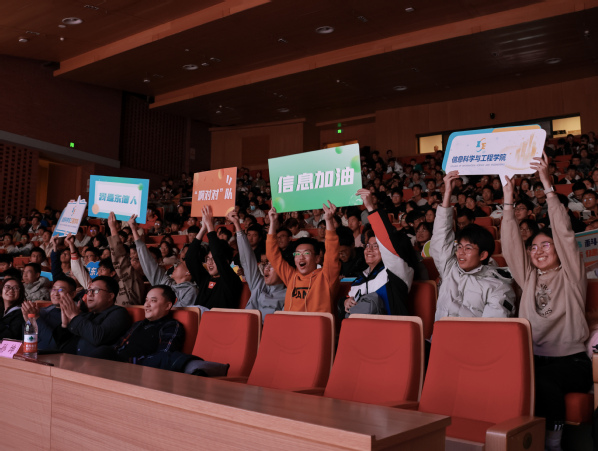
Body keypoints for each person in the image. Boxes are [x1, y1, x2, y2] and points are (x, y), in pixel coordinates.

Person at [502, 153, 592, 450]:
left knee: (541, 381)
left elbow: (565, 236)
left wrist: (547, 185)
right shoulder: (528, 278)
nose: (538, 251)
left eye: (545, 245)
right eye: (534, 247)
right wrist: (508, 199)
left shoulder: (571, 275)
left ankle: (553, 442)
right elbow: (510, 245)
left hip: (572, 362)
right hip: (534, 358)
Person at [431, 171, 516, 321]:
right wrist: (448, 193)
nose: (461, 253)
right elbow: (440, 237)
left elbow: (491, 327)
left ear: (483, 255)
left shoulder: (498, 286)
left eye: (468, 248)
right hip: (439, 335)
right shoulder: (450, 269)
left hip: (470, 336)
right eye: (459, 247)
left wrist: (455, 309)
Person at [343, 189, 417, 316]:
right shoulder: (359, 279)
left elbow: (387, 242)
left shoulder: (396, 272)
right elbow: (346, 305)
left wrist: (370, 207)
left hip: (391, 327)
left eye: (376, 246)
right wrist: (345, 302)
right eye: (367, 245)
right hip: (361, 327)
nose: (369, 249)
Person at [266, 201, 340, 313]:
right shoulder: (291, 276)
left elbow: (332, 252)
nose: (301, 257)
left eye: (306, 253)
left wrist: (329, 220)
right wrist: (272, 222)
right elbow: (272, 255)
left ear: (317, 258)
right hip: (291, 323)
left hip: (316, 324)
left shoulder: (326, 277)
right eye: (297, 254)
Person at [51, 275, 132, 356]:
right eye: (89, 290)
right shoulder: (86, 315)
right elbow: (60, 343)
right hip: (66, 359)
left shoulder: (119, 313)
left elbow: (98, 337)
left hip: (92, 362)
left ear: (110, 296)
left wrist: (74, 317)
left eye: (95, 290)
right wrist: (65, 325)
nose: (89, 294)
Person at [129, 215, 198, 307]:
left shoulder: (190, 290)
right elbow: (148, 261)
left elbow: (181, 313)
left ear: (188, 272)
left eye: (179, 265)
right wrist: (134, 230)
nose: (175, 267)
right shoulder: (165, 282)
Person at [227, 211, 285, 320]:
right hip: (247, 326)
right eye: (266, 265)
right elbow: (246, 259)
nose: (266, 268)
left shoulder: (289, 293)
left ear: (282, 269)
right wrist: (237, 224)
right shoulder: (258, 283)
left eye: (271, 266)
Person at [184, 205, 242, 309]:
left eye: (213, 259)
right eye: (208, 258)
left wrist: (210, 226)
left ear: (226, 261)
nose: (209, 262)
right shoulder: (205, 279)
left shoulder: (231, 279)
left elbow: (218, 255)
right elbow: (190, 258)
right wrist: (203, 229)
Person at [21, 275, 78, 352]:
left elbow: (53, 344)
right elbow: (27, 341)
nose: (56, 293)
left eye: (61, 290)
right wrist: (28, 321)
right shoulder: (42, 310)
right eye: (54, 289)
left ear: (72, 294)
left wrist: (36, 319)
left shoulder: (74, 315)